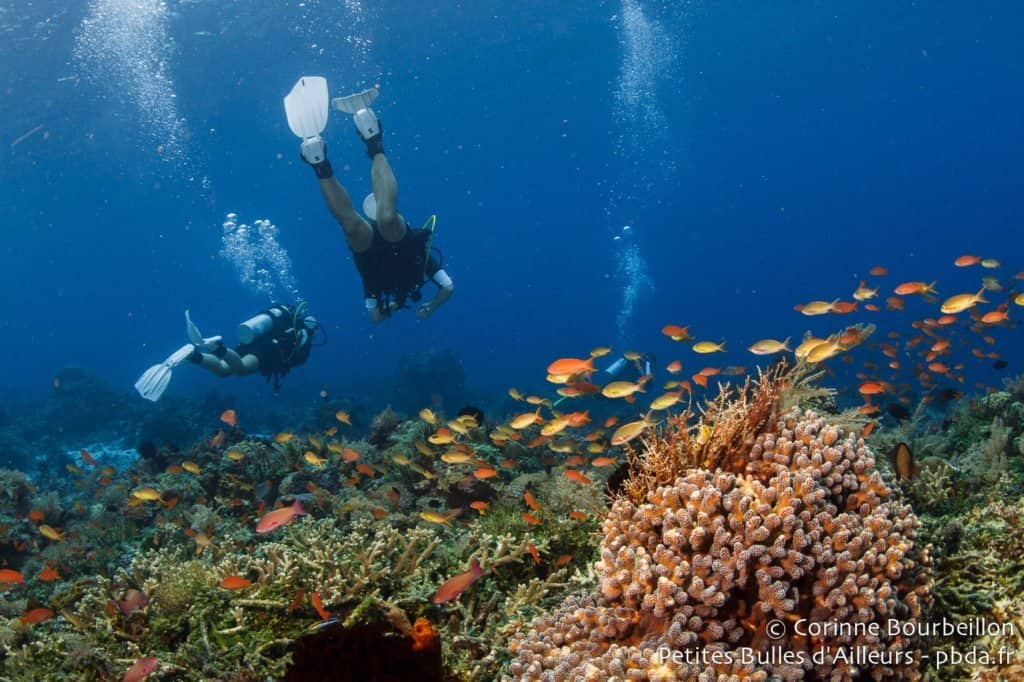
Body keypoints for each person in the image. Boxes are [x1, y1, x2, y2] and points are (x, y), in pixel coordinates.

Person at [298, 87, 454, 322]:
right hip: (404, 245)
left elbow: (374, 317)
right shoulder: (423, 269)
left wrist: (393, 305)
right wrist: (430, 307)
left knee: (353, 227)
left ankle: (319, 163)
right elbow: (448, 287)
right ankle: (373, 139)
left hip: (370, 260)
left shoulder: (378, 290)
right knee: (387, 218)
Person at [134, 303, 322, 401]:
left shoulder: (285, 323)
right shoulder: (304, 336)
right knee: (240, 369)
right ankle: (217, 347)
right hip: (268, 349)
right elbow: (294, 360)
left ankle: (194, 355)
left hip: (255, 339)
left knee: (224, 370)